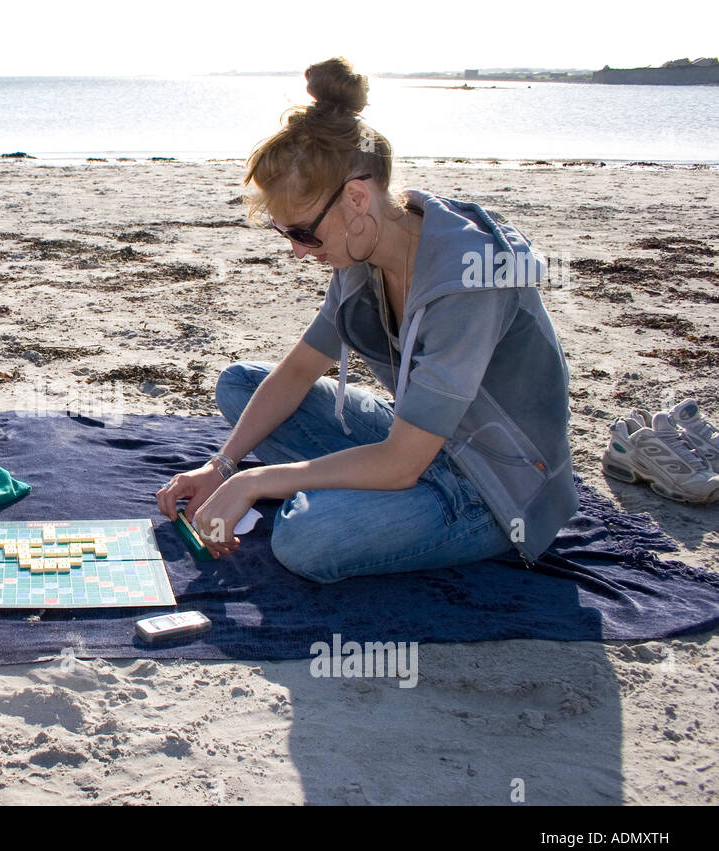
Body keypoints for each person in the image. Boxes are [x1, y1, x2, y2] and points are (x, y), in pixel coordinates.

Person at [156, 58, 578, 582]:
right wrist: (220, 466)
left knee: (306, 538)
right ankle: (341, 494)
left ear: (356, 198)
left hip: (492, 485)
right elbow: (296, 371)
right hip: (421, 439)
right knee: (242, 384)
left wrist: (255, 481)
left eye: (304, 233)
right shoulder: (364, 253)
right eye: (284, 234)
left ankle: (354, 506)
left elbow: (402, 462)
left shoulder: (469, 280)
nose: (295, 251)